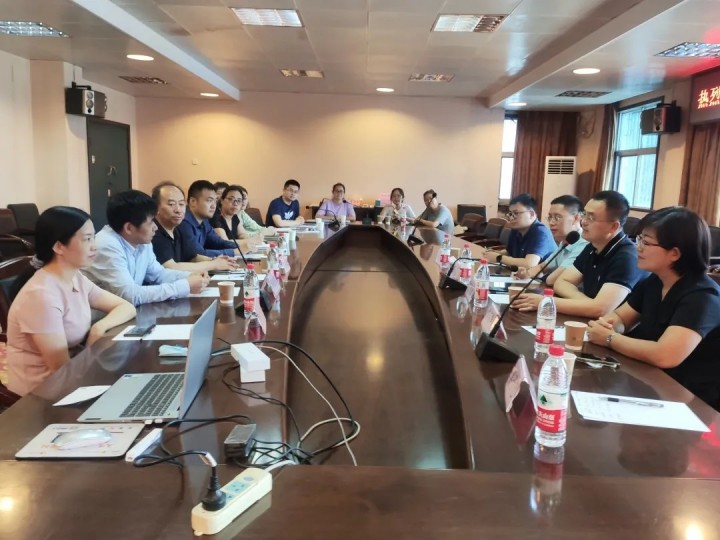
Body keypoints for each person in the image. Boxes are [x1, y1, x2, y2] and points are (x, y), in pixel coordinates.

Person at [587, 207, 720, 410]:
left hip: (692, 402)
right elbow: (620, 318)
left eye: (646, 242)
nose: (637, 247)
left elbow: (665, 355)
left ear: (674, 253)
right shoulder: (655, 281)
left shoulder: (703, 296)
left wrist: (609, 338)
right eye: (639, 239)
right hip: (650, 381)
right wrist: (611, 327)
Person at [6, 207, 136, 395]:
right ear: (59, 247)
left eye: (93, 238)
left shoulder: (75, 277)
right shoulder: (41, 295)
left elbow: (126, 307)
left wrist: (99, 328)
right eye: (87, 239)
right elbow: (61, 370)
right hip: (41, 394)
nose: (94, 246)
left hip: (74, 373)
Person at [514, 190, 648, 317]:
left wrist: (547, 302)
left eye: (591, 217)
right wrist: (590, 304)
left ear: (613, 226)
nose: (583, 221)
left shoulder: (627, 257)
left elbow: (601, 310)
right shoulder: (592, 247)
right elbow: (562, 282)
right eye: (584, 214)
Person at [84, 190, 208, 305]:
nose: (156, 227)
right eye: (151, 222)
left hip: (125, 313)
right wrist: (184, 286)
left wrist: (190, 276)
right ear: (129, 228)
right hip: (99, 318)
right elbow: (129, 295)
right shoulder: (106, 245)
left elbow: (158, 274)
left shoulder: (142, 241)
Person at [151, 182, 238, 273]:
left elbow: (193, 257)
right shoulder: (154, 232)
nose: (178, 210)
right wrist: (214, 264)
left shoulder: (177, 229)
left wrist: (218, 261)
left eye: (181, 204)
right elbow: (170, 268)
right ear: (156, 208)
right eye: (171, 204)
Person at [515, 195, 588, 284]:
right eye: (550, 217)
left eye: (557, 217)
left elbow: (552, 280)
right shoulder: (565, 241)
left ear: (576, 218)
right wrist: (526, 273)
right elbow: (542, 267)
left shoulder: (584, 243)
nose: (551, 222)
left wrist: (538, 274)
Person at [479, 193, 556, 269]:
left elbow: (529, 264)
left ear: (531, 214)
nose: (511, 218)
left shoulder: (540, 233)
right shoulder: (516, 229)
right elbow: (509, 252)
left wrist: (499, 257)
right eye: (510, 214)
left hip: (541, 276)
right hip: (520, 274)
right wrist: (496, 253)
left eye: (516, 213)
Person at [178, 179, 247, 257]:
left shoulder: (204, 220)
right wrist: (234, 252)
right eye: (209, 200)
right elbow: (197, 254)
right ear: (193, 201)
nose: (214, 206)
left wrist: (239, 247)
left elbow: (218, 242)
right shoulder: (183, 221)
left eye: (215, 201)